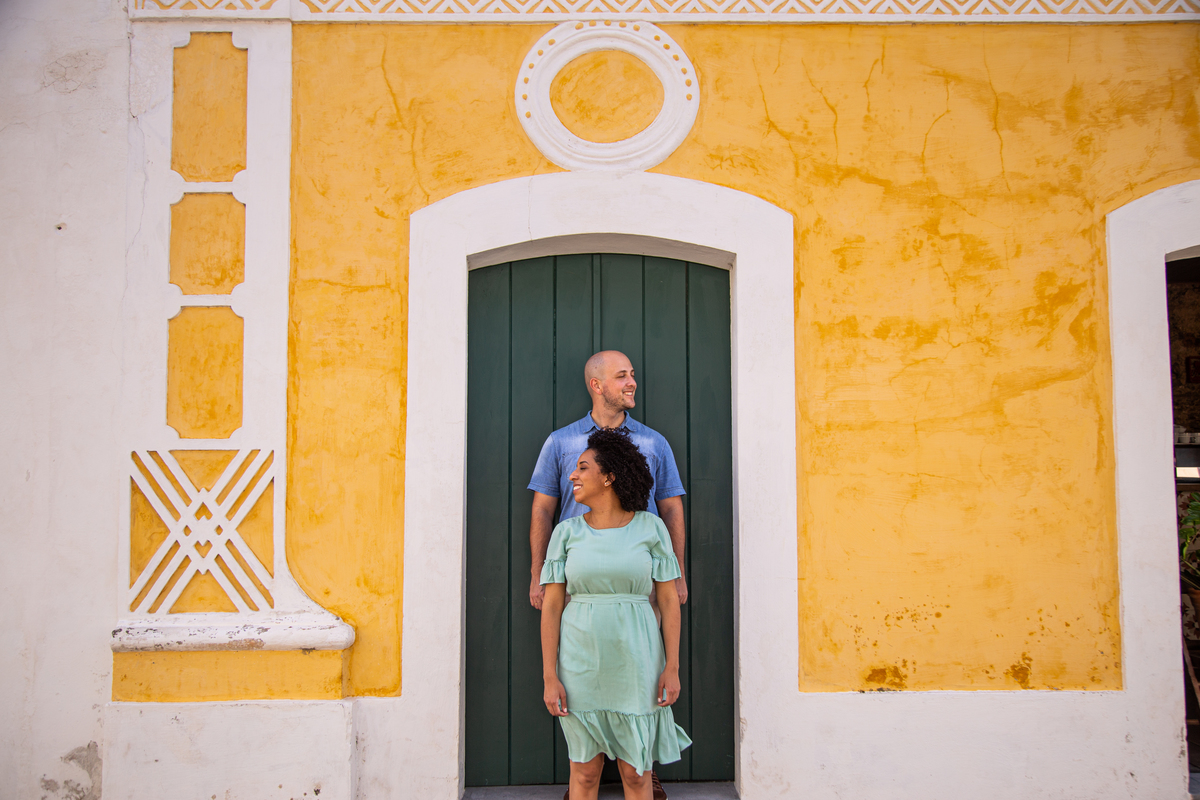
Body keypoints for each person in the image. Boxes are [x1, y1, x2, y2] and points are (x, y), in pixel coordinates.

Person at [540, 429, 692, 800]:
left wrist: (671, 667)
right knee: (586, 774)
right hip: (579, 665)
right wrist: (549, 676)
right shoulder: (566, 533)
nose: (572, 476)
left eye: (582, 468)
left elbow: (669, 601)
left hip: (637, 663)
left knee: (636, 774)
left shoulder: (651, 527)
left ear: (608, 477)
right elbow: (553, 606)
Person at [528, 350, 688, 612]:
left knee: (641, 650)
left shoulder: (654, 444)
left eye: (632, 376)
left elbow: (671, 509)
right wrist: (539, 574)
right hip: (576, 580)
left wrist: (677, 573)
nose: (632, 383)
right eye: (622, 376)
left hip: (641, 582)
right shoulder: (560, 443)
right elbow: (542, 509)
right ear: (597, 385)